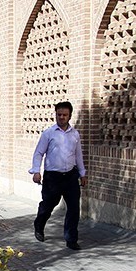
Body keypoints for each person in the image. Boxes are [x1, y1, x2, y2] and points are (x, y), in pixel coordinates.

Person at [29, 101, 88, 250]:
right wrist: (36, 171)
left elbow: (78, 155)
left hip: (70, 176)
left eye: (65, 115)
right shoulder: (48, 133)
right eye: (59, 114)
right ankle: (39, 224)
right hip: (52, 177)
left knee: (74, 208)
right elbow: (39, 153)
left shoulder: (75, 134)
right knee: (48, 205)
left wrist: (82, 173)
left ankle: (71, 238)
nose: (61, 117)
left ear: (69, 116)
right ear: (56, 115)